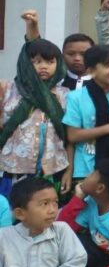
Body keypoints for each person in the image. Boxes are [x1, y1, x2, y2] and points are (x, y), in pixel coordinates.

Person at [0, 11, 69, 199]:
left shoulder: (64, 95)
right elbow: (29, 46)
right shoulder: (9, 89)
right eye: (36, 62)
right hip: (14, 169)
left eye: (49, 61)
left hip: (52, 169)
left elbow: (70, 134)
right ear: (26, 64)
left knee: (43, 216)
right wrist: (32, 27)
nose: (43, 66)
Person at [62, 45, 109, 193]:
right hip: (86, 167)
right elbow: (72, 135)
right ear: (91, 71)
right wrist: (108, 128)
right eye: (107, 66)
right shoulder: (76, 97)